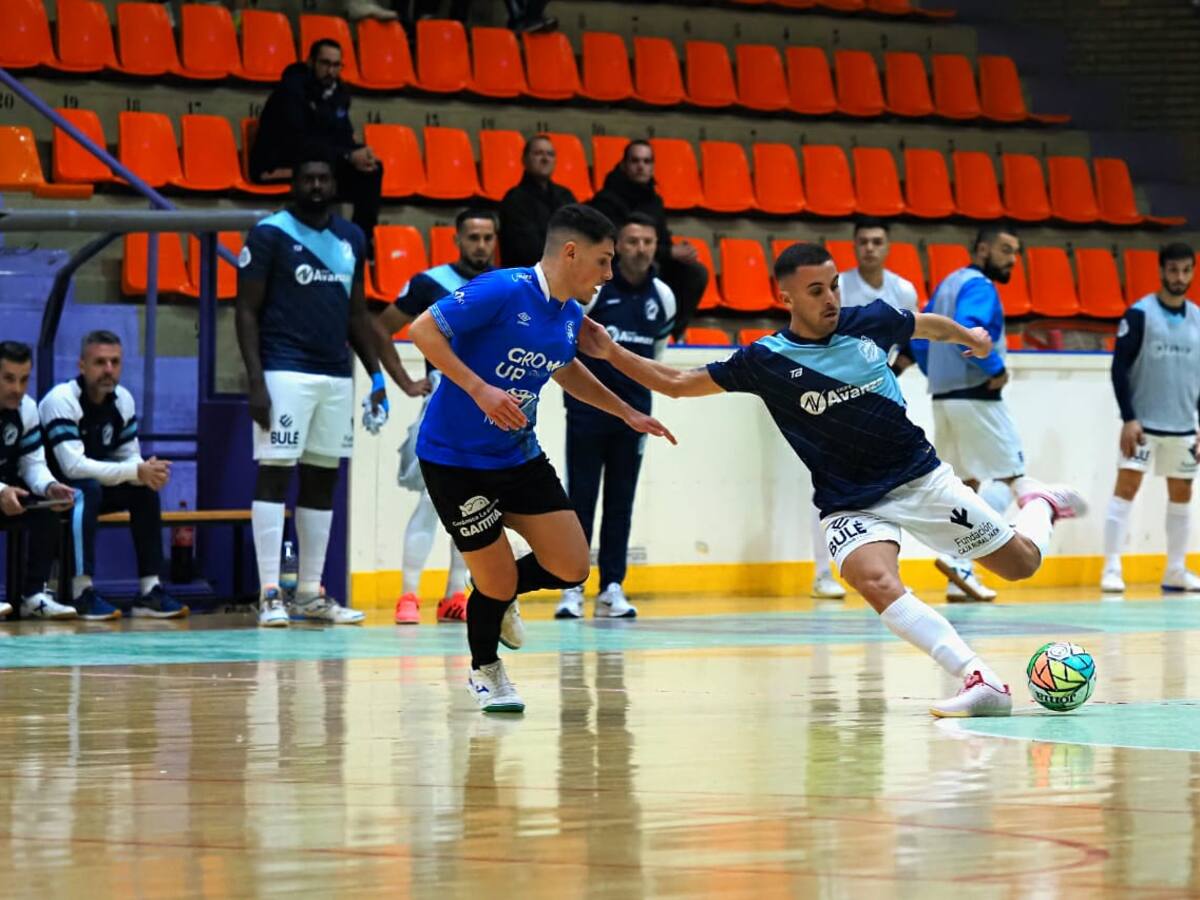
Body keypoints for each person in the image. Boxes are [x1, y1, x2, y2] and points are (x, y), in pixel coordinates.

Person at [576, 242, 1088, 718]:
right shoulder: (766, 360)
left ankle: (1040, 502)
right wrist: (611, 353)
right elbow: (678, 383)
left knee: (1021, 564)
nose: (831, 299)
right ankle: (979, 679)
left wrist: (968, 337)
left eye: (835, 286)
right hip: (849, 501)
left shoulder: (871, 322)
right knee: (875, 580)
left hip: (919, 480)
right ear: (787, 298)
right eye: (816, 290)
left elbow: (925, 326)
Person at [407, 204, 675, 713]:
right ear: (571, 252)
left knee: (572, 566)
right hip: (455, 460)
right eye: (603, 260)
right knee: (498, 579)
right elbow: (423, 330)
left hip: (517, 456)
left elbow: (564, 368)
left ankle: (498, 588)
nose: (609, 273)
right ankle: (486, 670)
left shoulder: (569, 314)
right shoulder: (502, 288)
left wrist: (626, 412)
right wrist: (479, 389)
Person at [236, 148, 389, 628]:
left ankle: (308, 593)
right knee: (275, 474)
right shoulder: (270, 233)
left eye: (324, 178)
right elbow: (245, 311)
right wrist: (255, 379)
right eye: (308, 178)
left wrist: (377, 375)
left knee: (324, 477)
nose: (317, 186)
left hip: (336, 375)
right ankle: (269, 593)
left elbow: (357, 314)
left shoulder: (351, 238)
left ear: (335, 184)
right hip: (284, 371)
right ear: (294, 183)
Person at [374, 209, 499, 625]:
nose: (481, 245)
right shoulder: (429, 283)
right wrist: (406, 382)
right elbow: (381, 328)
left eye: (487, 237)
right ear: (457, 240)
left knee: (476, 506)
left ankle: (454, 595)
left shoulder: (507, 285)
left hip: (489, 409)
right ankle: (408, 594)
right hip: (444, 404)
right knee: (431, 501)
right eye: (473, 237)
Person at [555, 213, 675, 621]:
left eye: (648, 242)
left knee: (621, 501)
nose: (641, 249)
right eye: (633, 241)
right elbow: (570, 344)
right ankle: (571, 586)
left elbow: (655, 357)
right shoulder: (595, 292)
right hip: (587, 413)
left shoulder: (663, 297)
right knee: (581, 498)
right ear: (618, 246)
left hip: (636, 415)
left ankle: (611, 587)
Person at [914, 226, 1028, 603]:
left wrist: (937, 372)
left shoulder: (948, 283)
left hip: (944, 397)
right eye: (1006, 250)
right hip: (977, 396)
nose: (1013, 259)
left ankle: (957, 577)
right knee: (1011, 476)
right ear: (982, 250)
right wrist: (995, 368)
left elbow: (922, 337)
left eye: (1015, 252)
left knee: (965, 486)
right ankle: (957, 558)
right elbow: (970, 330)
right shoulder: (980, 286)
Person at [40, 331, 187, 620]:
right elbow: (73, 467)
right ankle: (81, 592)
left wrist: (146, 471)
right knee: (87, 489)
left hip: (93, 487)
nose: (108, 369)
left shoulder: (123, 400)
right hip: (52, 491)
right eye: (100, 362)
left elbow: (128, 455)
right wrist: (135, 470)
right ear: (82, 365)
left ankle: (149, 591)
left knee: (144, 490)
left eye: (115, 362)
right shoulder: (61, 399)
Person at [1102, 242, 1200, 593]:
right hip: (1143, 426)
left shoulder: (1198, 318)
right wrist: (1129, 418)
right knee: (1126, 489)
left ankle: (1175, 570)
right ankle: (1111, 568)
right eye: (1173, 270)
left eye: (1186, 270)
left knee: (1182, 494)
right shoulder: (1139, 315)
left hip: (1183, 426)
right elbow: (1118, 369)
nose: (1179, 277)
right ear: (1161, 271)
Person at [249, 39, 383, 256]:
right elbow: (298, 142)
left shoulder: (338, 93)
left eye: (336, 65)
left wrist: (360, 153)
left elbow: (341, 136)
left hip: (318, 158)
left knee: (372, 169)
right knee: (321, 173)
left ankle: (361, 241)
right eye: (325, 63)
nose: (331, 71)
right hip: (278, 162)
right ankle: (314, 243)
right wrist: (347, 156)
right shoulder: (291, 91)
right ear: (311, 62)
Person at [589, 141, 709, 340]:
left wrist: (676, 251)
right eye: (635, 161)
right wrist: (668, 252)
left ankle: (670, 333)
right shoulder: (606, 199)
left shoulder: (655, 201)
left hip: (651, 259)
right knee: (649, 266)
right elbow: (610, 244)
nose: (641, 166)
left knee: (695, 272)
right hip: (615, 264)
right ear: (624, 165)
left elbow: (663, 240)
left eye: (646, 161)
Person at [0, 342, 77, 620]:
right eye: (9, 379)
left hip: (6, 492)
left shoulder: (27, 409)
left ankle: (34, 595)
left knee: (47, 506)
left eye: (24, 380)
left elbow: (33, 464)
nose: (17, 389)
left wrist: (49, 486)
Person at [499, 136, 576, 268]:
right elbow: (528, 251)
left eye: (550, 154)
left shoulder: (565, 196)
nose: (545, 159)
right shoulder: (514, 200)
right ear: (524, 160)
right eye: (538, 153)